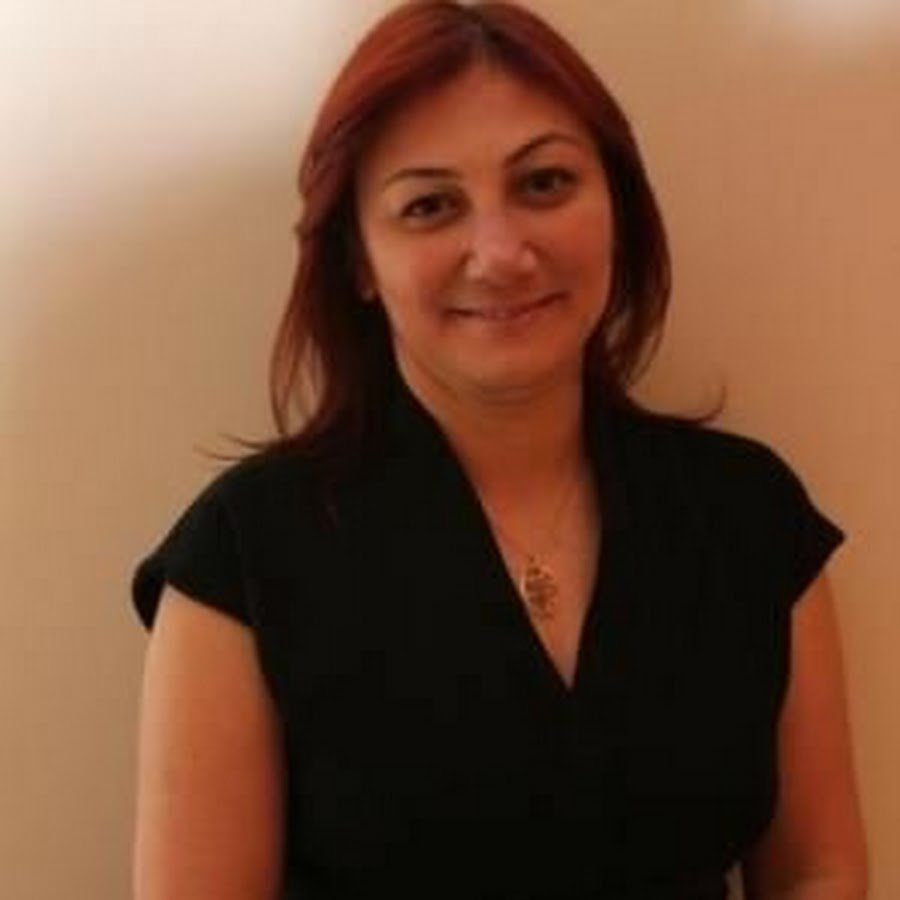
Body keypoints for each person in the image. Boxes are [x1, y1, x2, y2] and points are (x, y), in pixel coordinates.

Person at [130, 2, 868, 898]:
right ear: (358, 261)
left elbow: (820, 870)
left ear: (617, 207)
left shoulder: (750, 516)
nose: (501, 252)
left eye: (544, 183)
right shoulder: (243, 555)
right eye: (431, 205)